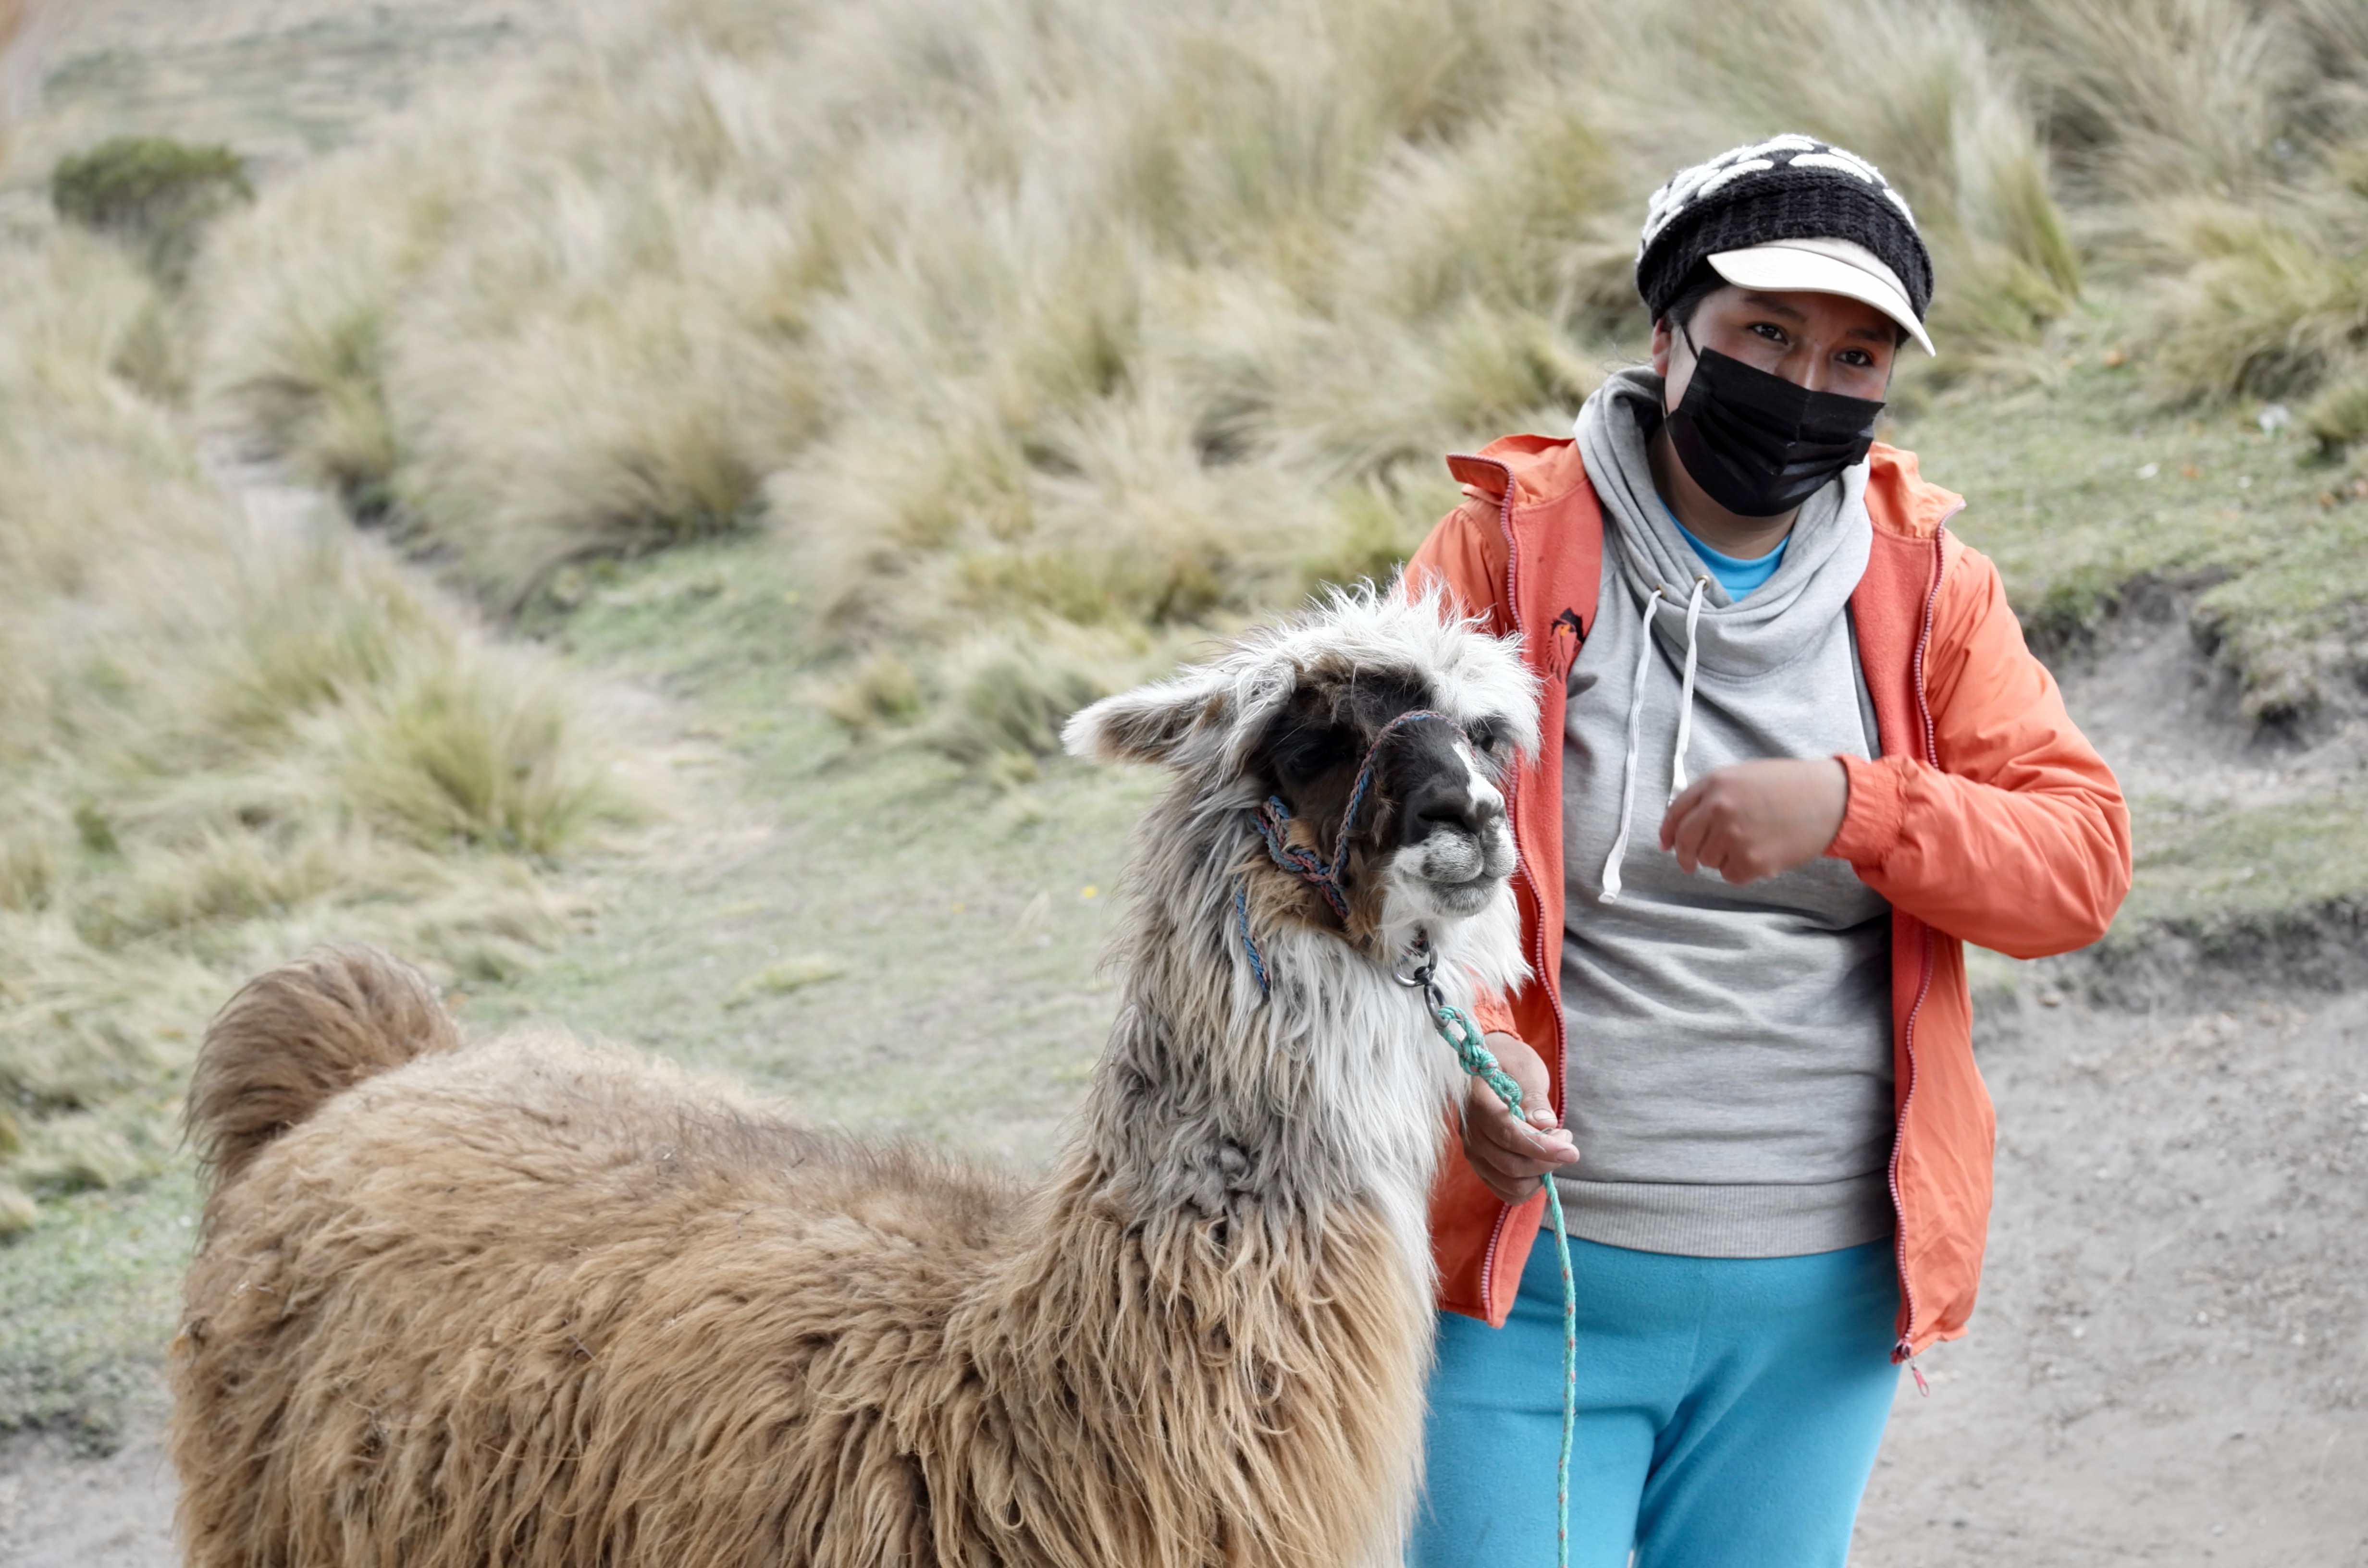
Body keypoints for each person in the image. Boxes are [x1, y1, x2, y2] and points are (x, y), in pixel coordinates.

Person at [1402, 135, 2132, 1568]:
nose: (1807, 383)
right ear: (1670, 334)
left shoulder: (1932, 588)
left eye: (1857, 356)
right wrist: (1474, 1066)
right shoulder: (1503, 557)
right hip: (1530, 1285)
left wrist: (1860, 809)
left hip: (1819, 1311)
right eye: (1766, 334)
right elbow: (1386, 873)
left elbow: (2079, 869)